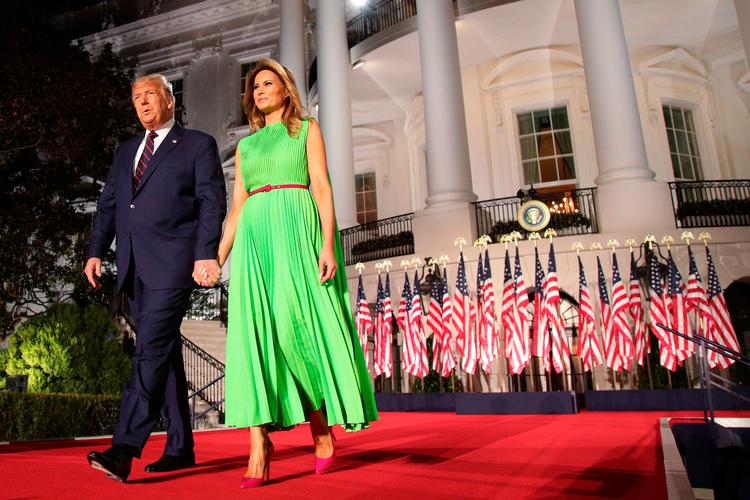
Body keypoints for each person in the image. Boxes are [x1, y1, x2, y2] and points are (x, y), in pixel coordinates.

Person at [218, 58, 377, 488]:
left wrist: (328, 243)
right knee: (255, 338)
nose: (260, 91)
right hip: (254, 240)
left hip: (296, 227)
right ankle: (258, 443)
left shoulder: (306, 129)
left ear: (287, 90)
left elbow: (322, 185)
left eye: (268, 84)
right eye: (255, 87)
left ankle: (321, 426)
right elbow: (237, 208)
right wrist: (217, 258)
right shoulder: (246, 148)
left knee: (294, 332)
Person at [84, 74, 227, 482]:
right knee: (163, 356)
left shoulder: (198, 144)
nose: (142, 102)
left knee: (149, 348)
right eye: (135, 97)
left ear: (170, 100)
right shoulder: (125, 150)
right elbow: (110, 202)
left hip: (173, 265)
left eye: (150, 95)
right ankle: (180, 446)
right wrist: (96, 251)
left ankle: (124, 447)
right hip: (132, 266)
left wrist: (206, 254)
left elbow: (210, 202)